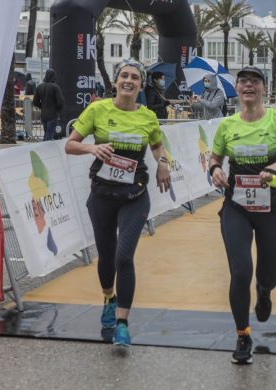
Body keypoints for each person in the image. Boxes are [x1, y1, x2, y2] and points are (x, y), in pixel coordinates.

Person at [208, 66, 276, 364]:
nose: (248, 85)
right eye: (243, 82)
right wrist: (215, 169)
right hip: (237, 208)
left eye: (254, 81)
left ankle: (264, 290)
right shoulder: (227, 125)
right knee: (240, 272)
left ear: (263, 88)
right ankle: (243, 334)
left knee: (268, 275)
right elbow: (215, 158)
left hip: (272, 210)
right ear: (238, 90)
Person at [64, 58, 171, 347]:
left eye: (134, 77)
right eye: (124, 75)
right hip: (102, 195)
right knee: (107, 256)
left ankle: (123, 322)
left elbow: (158, 144)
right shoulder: (97, 110)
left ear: (141, 84)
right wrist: (91, 146)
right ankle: (109, 297)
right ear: (115, 81)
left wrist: (163, 163)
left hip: (135, 195)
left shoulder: (147, 116)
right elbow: (70, 144)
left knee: (124, 257)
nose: (128, 80)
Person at [33, 69, 65, 141]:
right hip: (53, 114)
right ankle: (45, 150)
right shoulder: (55, 87)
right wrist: (58, 109)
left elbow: (35, 102)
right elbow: (60, 102)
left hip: (43, 114)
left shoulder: (39, 87)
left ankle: (43, 149)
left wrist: (41, 106)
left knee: (46, 134)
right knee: (49, 136)